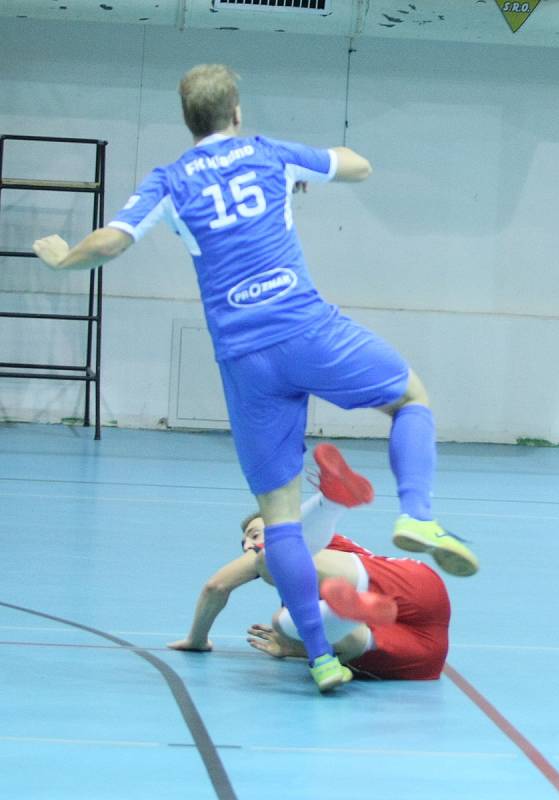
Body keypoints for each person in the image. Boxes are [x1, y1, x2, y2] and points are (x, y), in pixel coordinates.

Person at [32, 63, 477, 692]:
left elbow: (111, 241)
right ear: (237, 113)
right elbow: (357, 164)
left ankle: (321, 656)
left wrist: (62, 259)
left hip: (244, 360)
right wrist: (305, 173)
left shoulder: (169, 180)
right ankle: (419, 515)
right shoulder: (268, 154)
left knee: (281, 518)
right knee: (410, 399)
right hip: (306, 329)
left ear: (187, 122)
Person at [169, 444, 451, 682]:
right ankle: (331, 509)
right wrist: (295, 648)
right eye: (245, 541)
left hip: (391, 591)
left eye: (255, 534)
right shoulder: (303, 585)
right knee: (294, 622)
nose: (249, 545)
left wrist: (197, 640)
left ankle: (329, 503)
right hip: (417, 649)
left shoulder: (296, 546)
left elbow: (216, 586)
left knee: (275, 562)